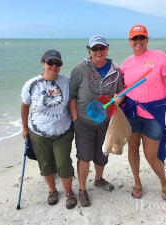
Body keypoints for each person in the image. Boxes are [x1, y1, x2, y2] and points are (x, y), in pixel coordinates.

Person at [120, 25, 166, 200]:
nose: (138, 41)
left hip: (152, 115)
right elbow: (122, 89)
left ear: (147, 40)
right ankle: (137, 182)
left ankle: (164, 182)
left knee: (151, 155)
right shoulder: (126, 64)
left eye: (142, 38)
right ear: (130, 41)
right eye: (135, 38)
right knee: (132, 148)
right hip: (131, 114)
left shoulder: (159, 57)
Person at [69, 35, 124, 207]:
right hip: (84, 121)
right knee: (84, 156)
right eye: (95, 48)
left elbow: (121, 93)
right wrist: (75, 119)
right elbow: (71, 96)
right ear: (89, 50)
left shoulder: (116, 70)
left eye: (102, 48)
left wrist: (119, 99)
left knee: (102, 154)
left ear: (107, 48)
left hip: (106, 121)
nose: (98, 52)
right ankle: (82, 190)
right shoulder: (80, 69)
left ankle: (99, 180)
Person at [20, 49, 77, 209]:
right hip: (38, 133)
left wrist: (75, 119)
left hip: (63, 131)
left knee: (63, 163)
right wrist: (24, 127)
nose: (54, 66)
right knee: (45, 164)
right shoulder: (31, 84)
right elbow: (25, 107)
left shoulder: (66, 82)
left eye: (57, 63)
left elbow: (72, 100)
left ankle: (68, 193)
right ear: (43, 63)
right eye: (50, 62)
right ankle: (52, 190)